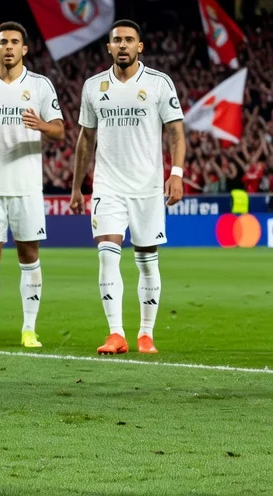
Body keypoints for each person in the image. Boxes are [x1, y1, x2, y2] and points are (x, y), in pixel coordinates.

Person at [69, 20, 185, 356]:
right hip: (108, 185)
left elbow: (176, 132)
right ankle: (115, 333)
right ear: (108, 47)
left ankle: (145, 334)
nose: (122, 45)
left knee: (147, 261)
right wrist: (78, 187)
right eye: (117, 40)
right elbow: (85, 138)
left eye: (129, 40)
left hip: (147, 187)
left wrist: (176, 173)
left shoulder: (159, 83)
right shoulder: (94, 86)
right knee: (107, 254)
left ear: (140, 46)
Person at [0, 22, 64, 350]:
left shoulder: (40, 85)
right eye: (3, 42)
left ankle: (29, 329)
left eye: (14, 42)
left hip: (26, 185)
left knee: (28, 253)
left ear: (24, 49)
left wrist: (42, 125)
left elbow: (60, 130)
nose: (8, 47)